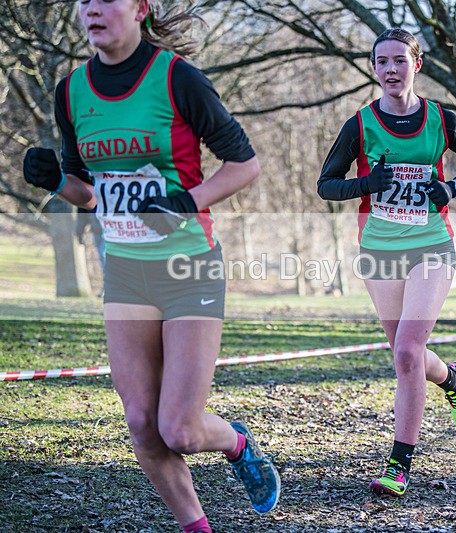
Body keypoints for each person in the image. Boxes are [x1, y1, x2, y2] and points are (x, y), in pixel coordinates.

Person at [22, 1, 278, 530]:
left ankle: (236, 443)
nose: (92, 7)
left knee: (180, 428)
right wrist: (53, 179)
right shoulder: (71, 92)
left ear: (140, 8)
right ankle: (197, 527)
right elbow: (90, 195)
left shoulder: (179, 81)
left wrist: (186, 201)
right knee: (141, 422)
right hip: (125, 270)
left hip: (188, 267)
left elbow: (245, 165)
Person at [318, 28, 456, 497]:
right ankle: (451, 378)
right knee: (405, 357)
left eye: (399, 60)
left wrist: (451, 189)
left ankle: (399, 464)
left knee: (409, 352)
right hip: (379, 250)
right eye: (381, 62)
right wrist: (369, 183)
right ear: (373, 69)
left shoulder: (441, 119)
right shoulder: (360, 124)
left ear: (417, 65)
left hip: (432, 245)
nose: (390, 70)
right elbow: (326, 185)